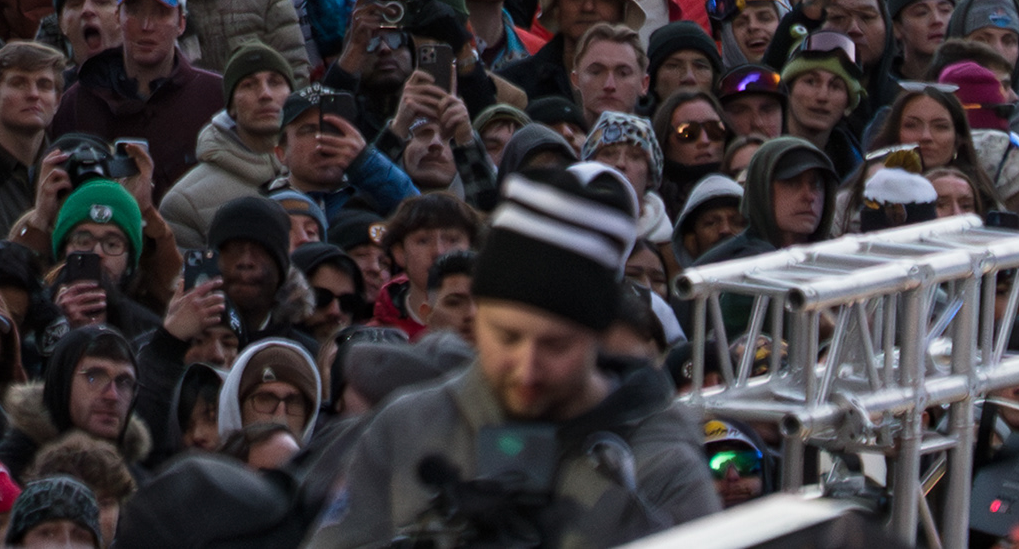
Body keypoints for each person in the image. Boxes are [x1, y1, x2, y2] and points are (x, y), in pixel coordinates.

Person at [299, 172, 716, 549]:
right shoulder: (408, 426)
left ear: (598, 338)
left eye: (555, 345)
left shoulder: (658, 457)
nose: (527, 367)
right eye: (507, 336)